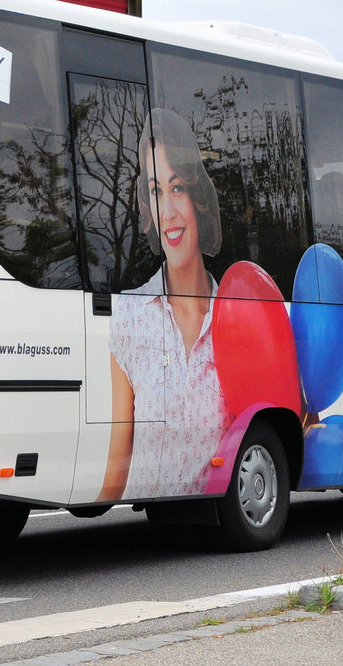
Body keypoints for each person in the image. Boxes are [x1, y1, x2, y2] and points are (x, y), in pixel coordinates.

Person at [98, 109, 229, 501]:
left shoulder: (236, 316)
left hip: (217, 531)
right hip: (147, 540)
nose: (168, 212)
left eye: (178, 188)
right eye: (156, 191)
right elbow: (118, 460)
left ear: (198, 196)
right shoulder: (130, 316)